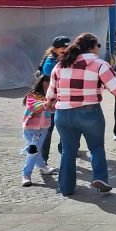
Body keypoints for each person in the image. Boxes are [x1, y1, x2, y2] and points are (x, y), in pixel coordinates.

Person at [47, 33, 116, 197]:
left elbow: (52, 91)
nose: (99, 48)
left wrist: (49, 103)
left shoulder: (61, 65)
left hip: (63, 114)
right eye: (98, 45)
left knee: (68, 150)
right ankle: (100, 178)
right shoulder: (99, 64)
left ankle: (66, 188)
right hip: (89, 112)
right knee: (96, 147)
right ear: (91, 47)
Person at [38, 36, 69, 166]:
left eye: (68, 47)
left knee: (66, 129)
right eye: (63, 48)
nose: (66, 50)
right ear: (55, 49)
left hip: (62, 100)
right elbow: (49, 80)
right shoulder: (50, 62)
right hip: (51, 101)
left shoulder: (63, 58)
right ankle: (43, 159)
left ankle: (65, 153)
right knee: (48, 131)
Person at [21, 75, 56, 186]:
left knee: (33, 150)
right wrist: (46, 104)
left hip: (42, 129)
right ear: (41, 83)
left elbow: (53, 108)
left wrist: (52, 103)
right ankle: (42, 167)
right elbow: (32, 106)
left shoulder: (50, 96)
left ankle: (26, 174)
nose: (48, 87)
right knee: (36, 150)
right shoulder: (32, 95)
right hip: (29, 127)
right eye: (46, 84)